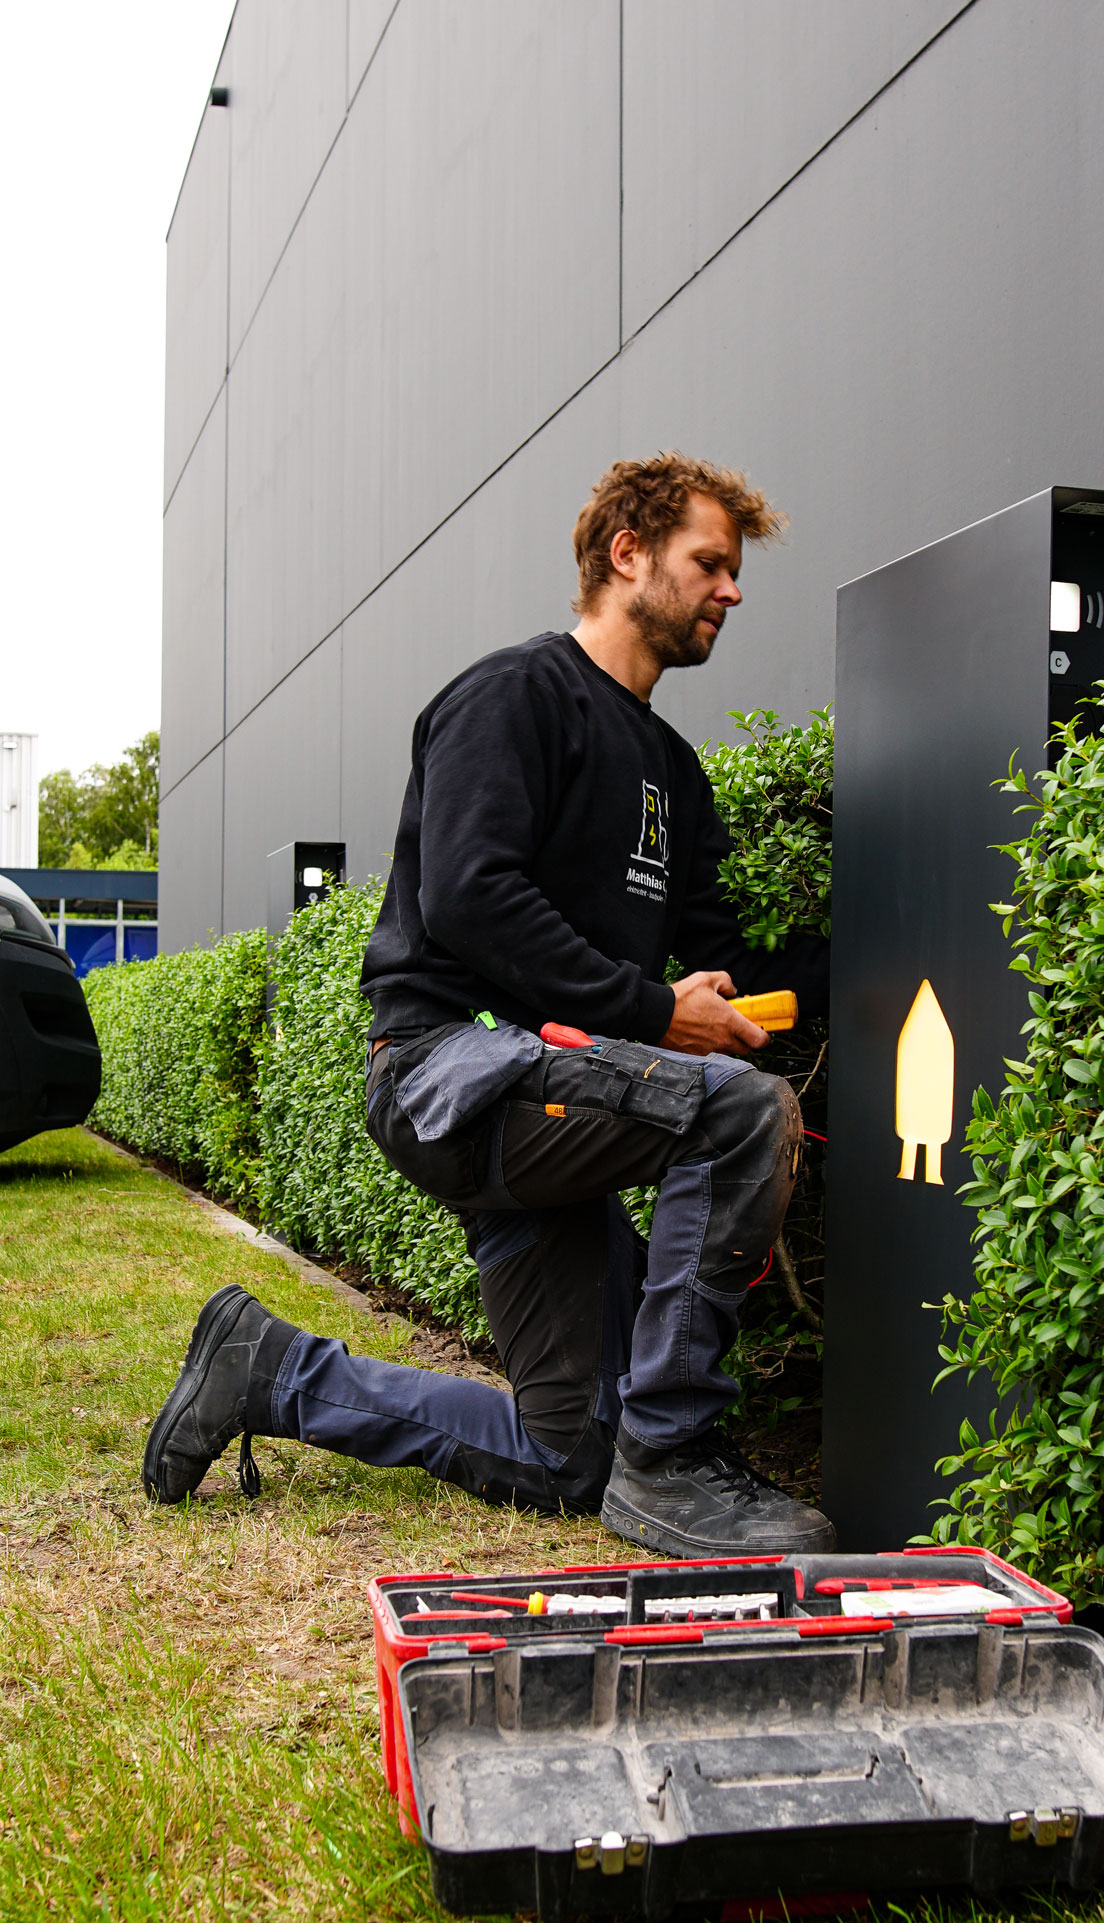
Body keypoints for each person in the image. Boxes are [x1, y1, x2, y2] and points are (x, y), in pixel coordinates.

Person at [144, 453, 836, 1556]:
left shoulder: (675, 772)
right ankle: (673, 1454)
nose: (731, 591)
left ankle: (268, 1368)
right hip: (449, 1071)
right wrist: (658, 1015)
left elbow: (702, 951)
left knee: (572, 1457)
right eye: (709, 563)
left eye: (732, 571)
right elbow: (467, 897)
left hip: (567, 1100)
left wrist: (708, 995)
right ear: (626, 554)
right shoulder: (515, 697)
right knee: (741, 1109)